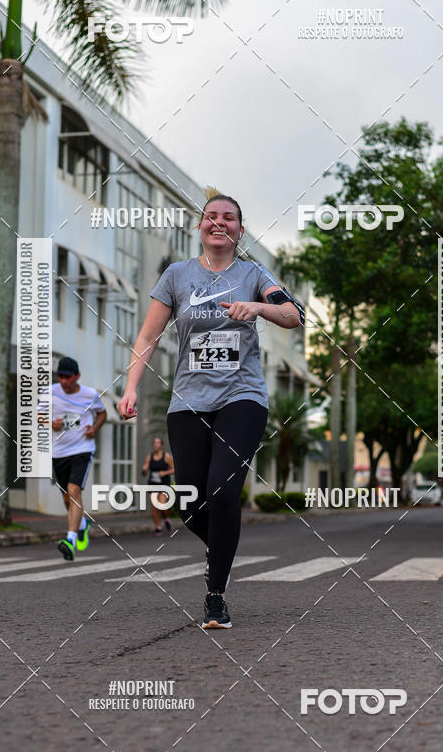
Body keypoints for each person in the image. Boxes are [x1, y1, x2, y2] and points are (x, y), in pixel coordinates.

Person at [117, 189, 305, 629]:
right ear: (200, 226)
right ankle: (219, 545)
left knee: (222, 488)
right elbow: (147, 337)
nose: (219, 222)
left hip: (242, 397)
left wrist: (257, 306)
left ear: (240, 230)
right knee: (188, 503)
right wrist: (129, 388)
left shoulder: (253, 272)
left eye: (229, 218)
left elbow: (294, 315)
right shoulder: (176, 276)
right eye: (211, 216)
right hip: (187, 401)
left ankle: (215, 596)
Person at [40, 356, 106, 560]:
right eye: (60, 376)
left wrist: (94, 429)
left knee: (73, 490)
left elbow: (102, 414)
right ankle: (83, 524)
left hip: (82, 448)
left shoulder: (90, 394)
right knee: (67, 499)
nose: (63, 381)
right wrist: (51, 423)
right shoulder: (49, 392)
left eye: (68, 377)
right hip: (59, 452)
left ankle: (70, 539)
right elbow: (38, 415)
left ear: (77, 376)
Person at [142, 436, 175, 535]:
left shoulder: (166, 456)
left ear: (161, 445)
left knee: (162, 506)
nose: (156, 445)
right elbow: (144, 472)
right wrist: (144, 470)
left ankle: (166, 519)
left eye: (158, 443)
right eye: (154, 443)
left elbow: (174, 469)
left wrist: (164, 473)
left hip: (164, 485)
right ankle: (158, 527)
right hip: (152, 485)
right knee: (154, 508)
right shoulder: (150, 457)